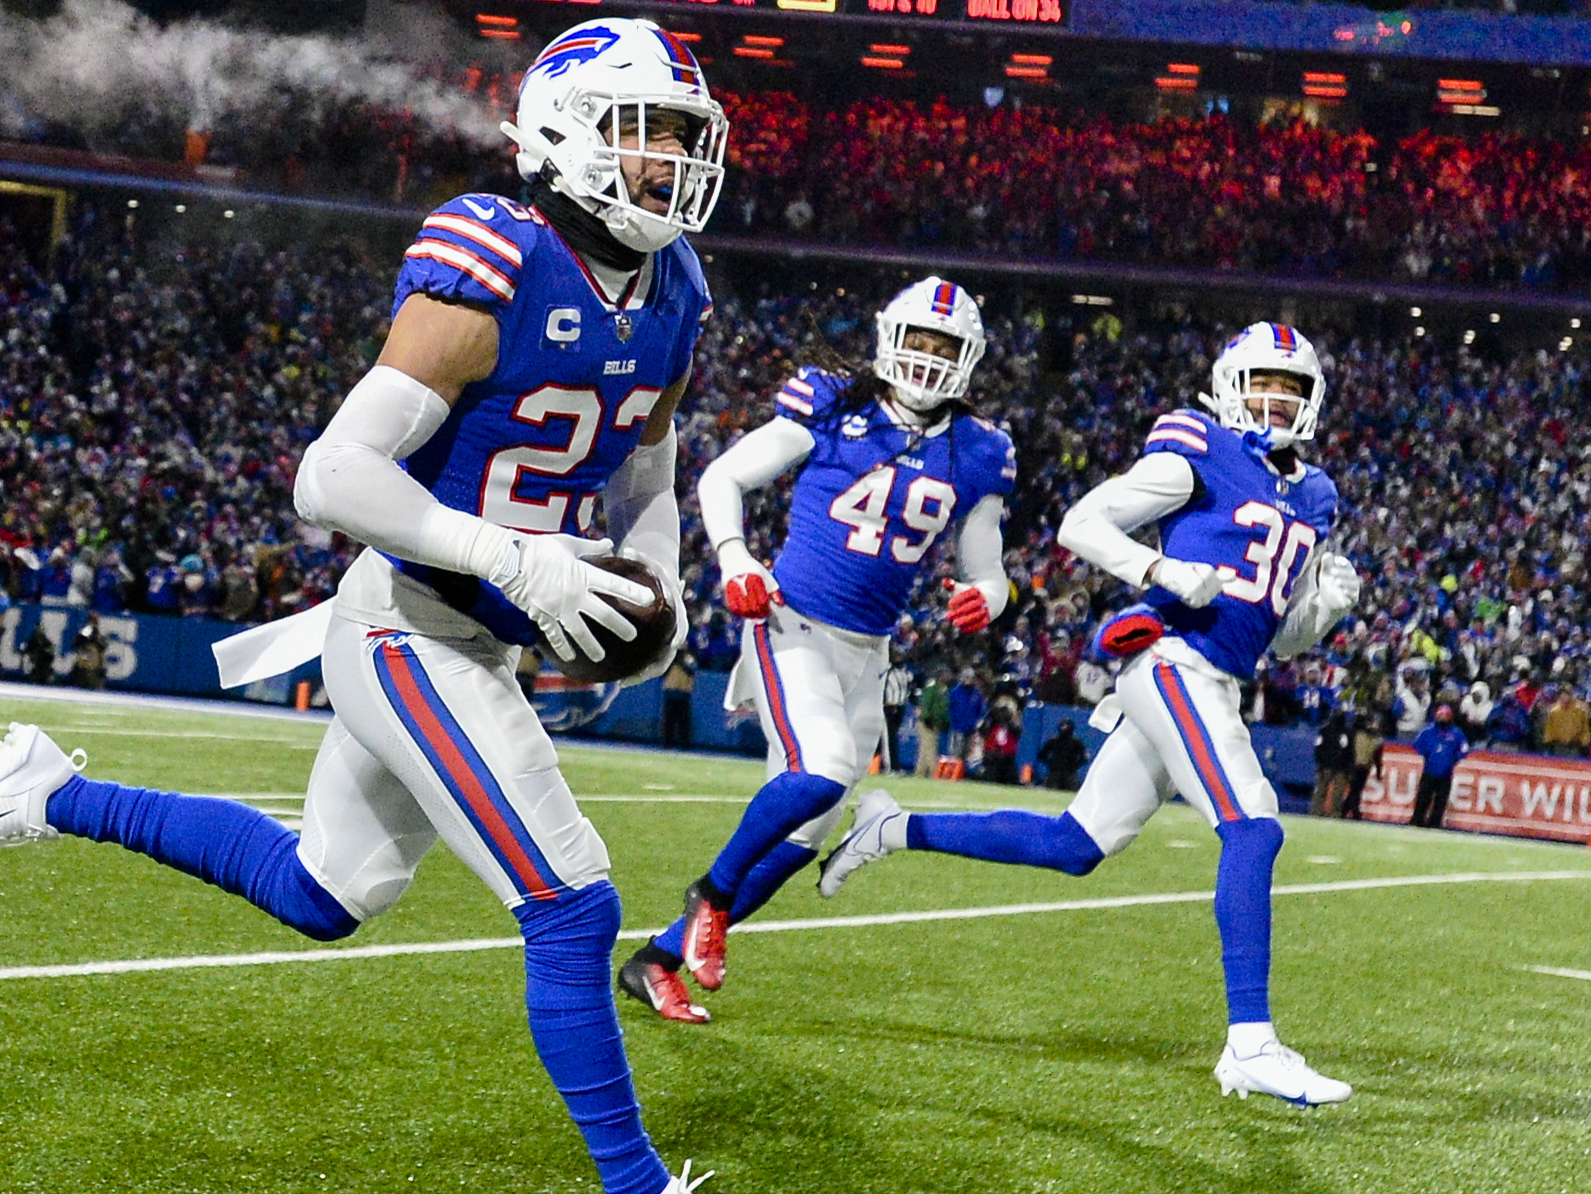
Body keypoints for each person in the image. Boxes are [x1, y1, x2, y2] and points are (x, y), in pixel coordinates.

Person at [0, 16, 815, 1194]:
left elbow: (650, 471)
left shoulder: (673, 291)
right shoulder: (494, 256)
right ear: (564, 134)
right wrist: (516, 560)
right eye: (643, 130)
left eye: (682, 134)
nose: (670, 158)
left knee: (326, 892)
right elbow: (328, 475)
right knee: (572, 899)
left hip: (473, 639)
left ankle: (50, 789)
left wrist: (652, 580)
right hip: (406, 626)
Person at [816, 322, 1365, 1107]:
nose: (1276, 400)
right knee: (1253, 823)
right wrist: (1159, 567)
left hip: (1220, 671)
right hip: (1174, 663)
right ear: (1229, 383)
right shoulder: (1199, 449)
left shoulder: (1314, 494)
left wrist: (1323, 612)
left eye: (1292, 388)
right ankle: (1250, 1042)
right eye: (1263, 383)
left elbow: (1274, 636)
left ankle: (891, 825)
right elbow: (1082, 522)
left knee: (1074, 844)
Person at [620, 276, 1014, 1026]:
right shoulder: (835, 402)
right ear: (887, 341)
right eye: (918, 342)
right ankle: (709, 895)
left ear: (969, 360)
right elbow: (724, 475)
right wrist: (736, 557)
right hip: (790, 621)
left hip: (870, 650)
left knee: (803, 837)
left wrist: (987, 598)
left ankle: (654, 962)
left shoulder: (980, 451)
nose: (928, 360)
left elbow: (987, 569)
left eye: (945, 347)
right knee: (826, 768)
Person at [1412, 701, 1464, 829]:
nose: (1443, 718)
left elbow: (1463, 749)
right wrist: (1427, 755)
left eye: (1446, 716)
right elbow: (1418, 744)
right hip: (1429, 771)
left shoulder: (1456, 733)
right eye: (1441, 716)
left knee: (1441, 801)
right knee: (1423, 797)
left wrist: (1453, 759)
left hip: (1446, 773)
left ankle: (1435, 822)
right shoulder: (1428, 731)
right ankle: (1417, 820)